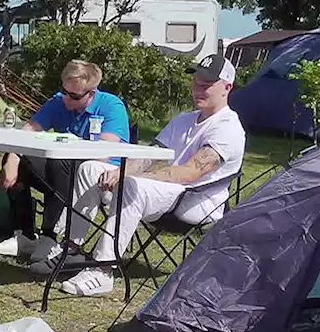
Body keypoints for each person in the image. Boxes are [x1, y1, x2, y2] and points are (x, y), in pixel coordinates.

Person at [54, 53, 246, 296]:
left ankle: (103, 269)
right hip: (166, 191)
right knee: (90, 168)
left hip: (195, 200)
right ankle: (71, 250)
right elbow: (151, 155)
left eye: (206, 85)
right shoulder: (183, 119)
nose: (198, 89)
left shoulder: (228, 127)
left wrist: (128, 178)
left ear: (227, 88)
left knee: (132, 187)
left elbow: (189, 173)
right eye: (196, 82)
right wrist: (121, 170)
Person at [0, 59, 131, 274]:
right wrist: (13, 157)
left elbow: (107, 151)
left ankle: (50, 236)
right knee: (21, 160)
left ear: (91, 94)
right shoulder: (58, 101)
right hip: (62, 172)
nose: (66, 98)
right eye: (63, 91)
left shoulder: (111, 106)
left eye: (74, 96)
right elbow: (28, 130)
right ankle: (27, 234)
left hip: (98, 177)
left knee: (60, 163)